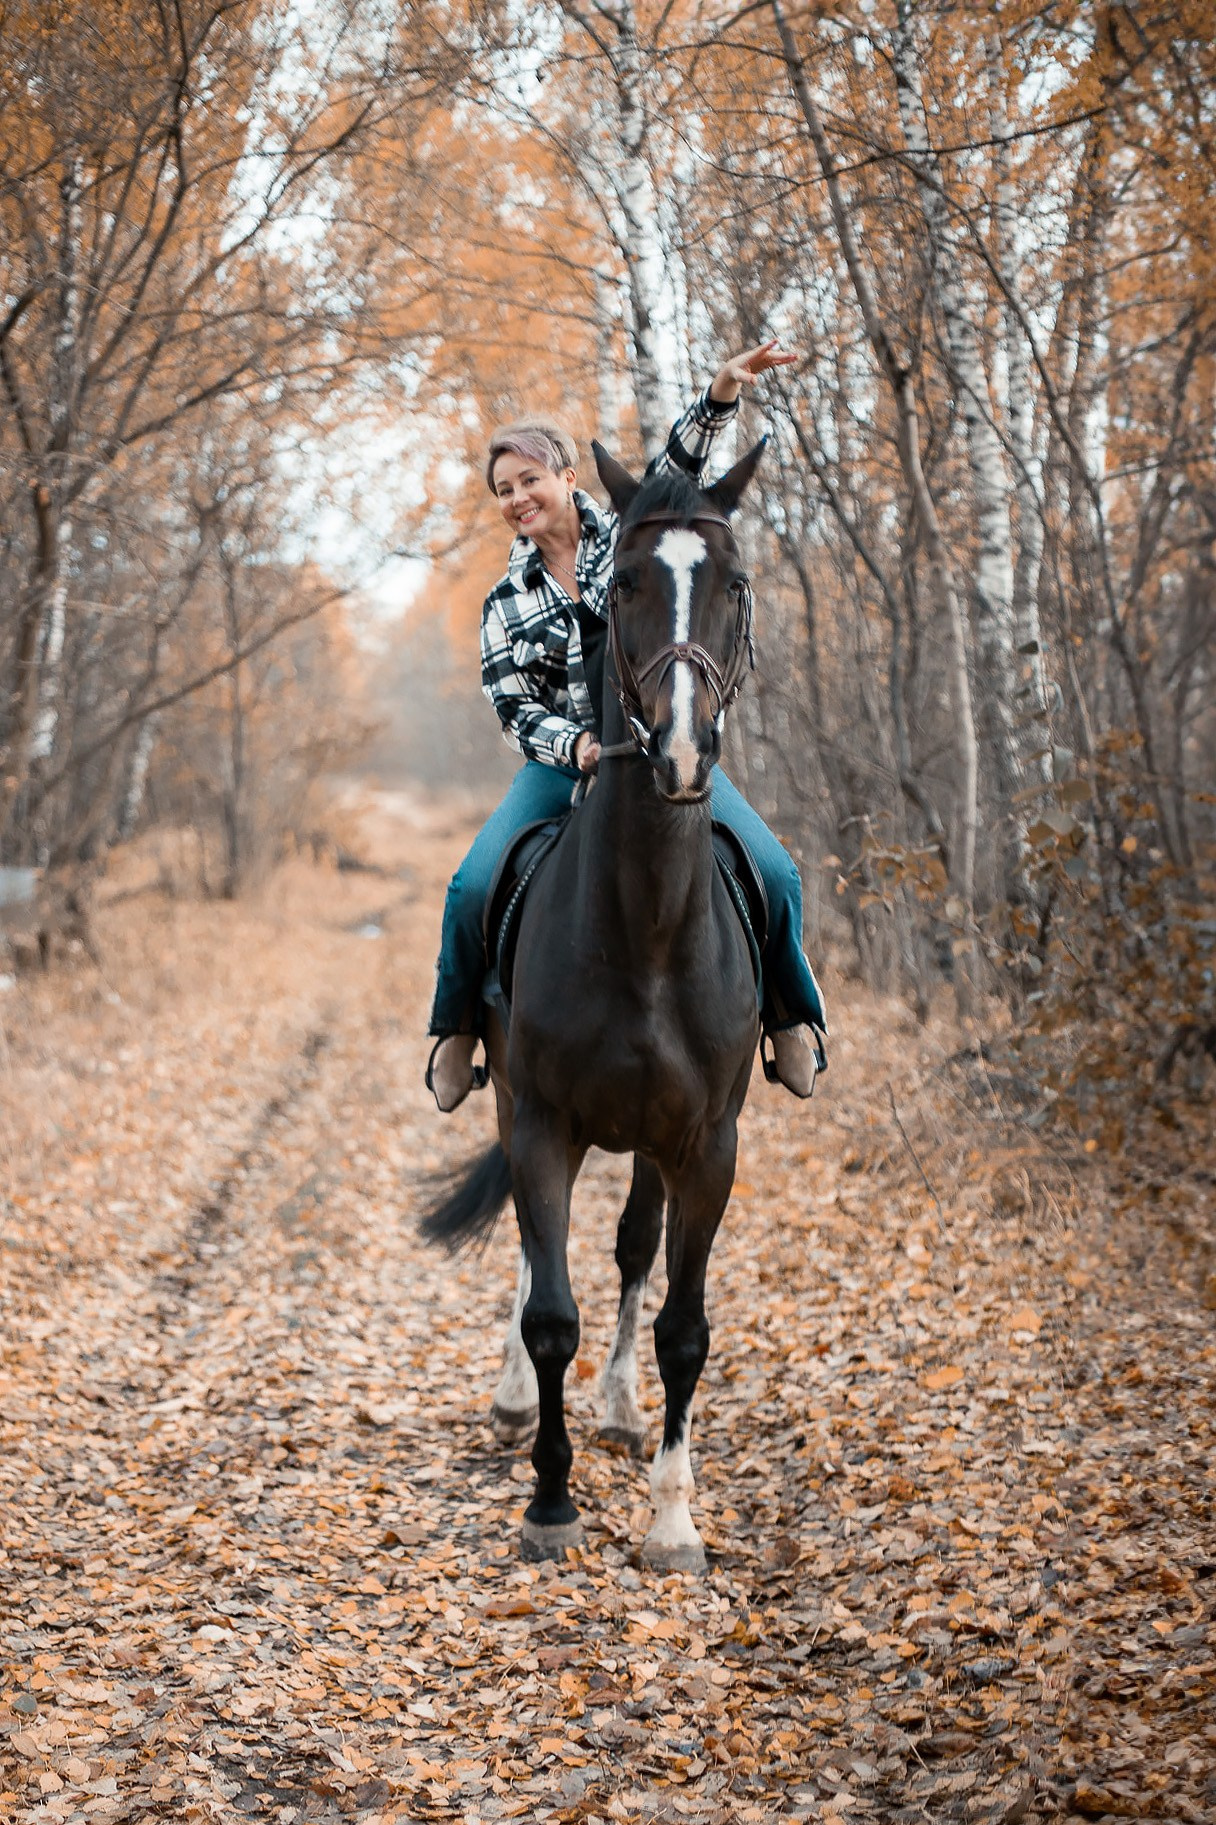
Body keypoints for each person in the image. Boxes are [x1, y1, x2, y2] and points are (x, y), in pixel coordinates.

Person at [426, 341, 827, 1112]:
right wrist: (568, 744)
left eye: (530, 480)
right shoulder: (505, 600)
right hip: (564, 763)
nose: (517, 498)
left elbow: (679, 460)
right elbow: (511, 704)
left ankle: (790, 1016)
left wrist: (719, 393)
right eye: (504, 490)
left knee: (774, 870)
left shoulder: (628, 538)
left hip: (659, 745)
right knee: (471, 882)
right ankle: (457, 1030)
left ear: (567, 477)